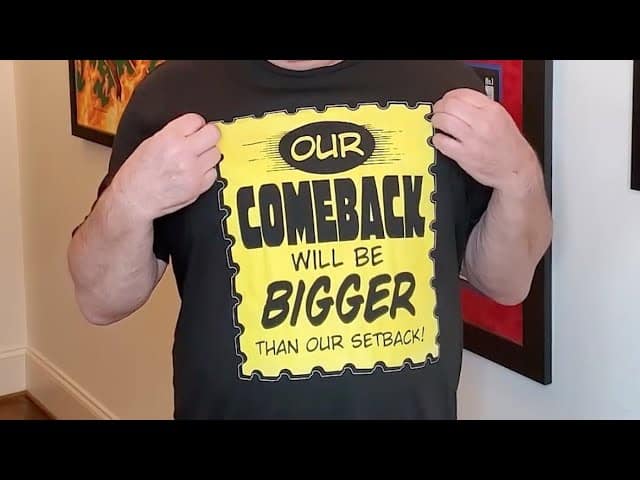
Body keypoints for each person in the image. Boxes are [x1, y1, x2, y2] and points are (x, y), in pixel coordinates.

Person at [67, 60, 552, 420]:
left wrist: (519, 173)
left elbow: (506, 283)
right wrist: (131, 198)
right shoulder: (172, 94)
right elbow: (100, 300)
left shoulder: (442, 86)